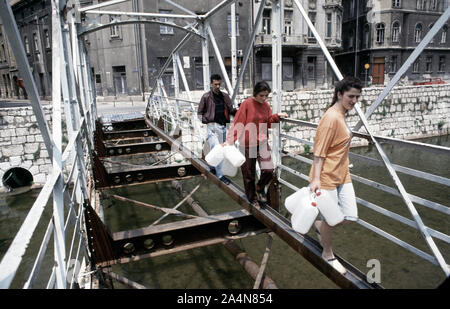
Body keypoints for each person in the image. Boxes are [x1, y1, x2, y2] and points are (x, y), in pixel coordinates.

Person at [308, 76, 363, 275]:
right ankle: (328, 253)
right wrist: (315, 180)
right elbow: (319, 151)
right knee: (332, 220)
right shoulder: (331, 117)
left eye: (357, 97)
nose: (354, 101)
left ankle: (318, 224)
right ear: (339, 94)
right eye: (350, 96)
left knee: (350, 216)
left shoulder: (342, 114)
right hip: (327, 177)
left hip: (342, 174)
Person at [226, 81, 288, 204]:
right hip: (247, 144)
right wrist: (230, 141)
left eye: (266, 96)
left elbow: (269, 122)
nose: (264, 98)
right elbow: (238, 123)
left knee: (269, 170)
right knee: (248, 175)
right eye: (261, 95)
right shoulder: (246, 104)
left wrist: (277, 116)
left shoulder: (266, 106)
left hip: (262, 142)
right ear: (255, 93)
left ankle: (260, 188)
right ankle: (252, 199)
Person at [198, 74, 237, 185]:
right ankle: (220, 175)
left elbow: (231, 110)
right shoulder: (206, 97)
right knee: (217, 149)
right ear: (211, 84)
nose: (218, 86)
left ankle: (212, 166)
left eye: (219, 84)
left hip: (223, 126)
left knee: (218, 149)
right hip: (212, 127)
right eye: (215, 84)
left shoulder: (225, 96)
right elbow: (199, 114)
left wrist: (241, 110)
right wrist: (207, 121)